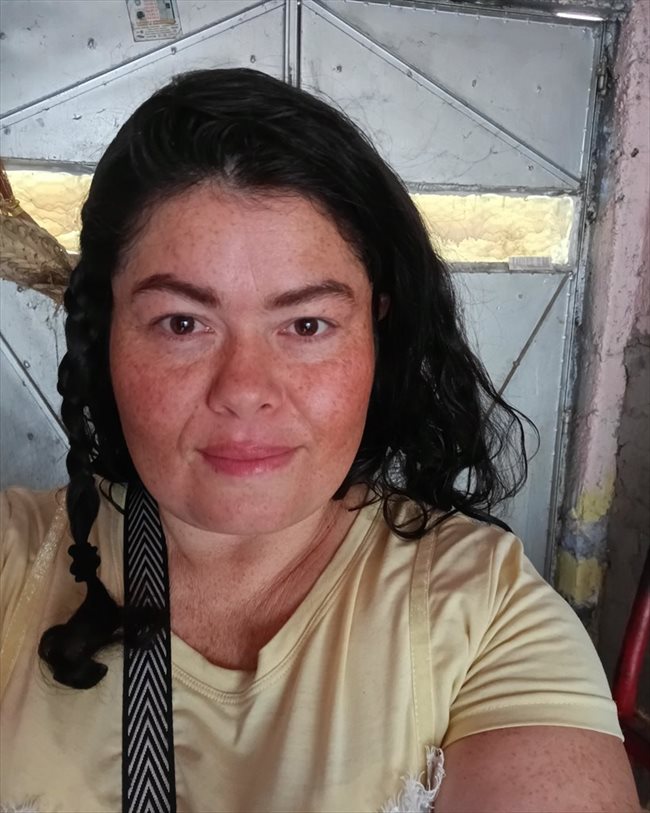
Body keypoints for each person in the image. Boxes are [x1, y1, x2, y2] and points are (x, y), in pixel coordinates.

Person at [0, 68, 639, 813]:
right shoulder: (14, 562)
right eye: (182, 323)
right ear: (107, 334)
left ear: (376, 333)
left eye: (307, 325)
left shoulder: (482, 612)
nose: (245, 387)